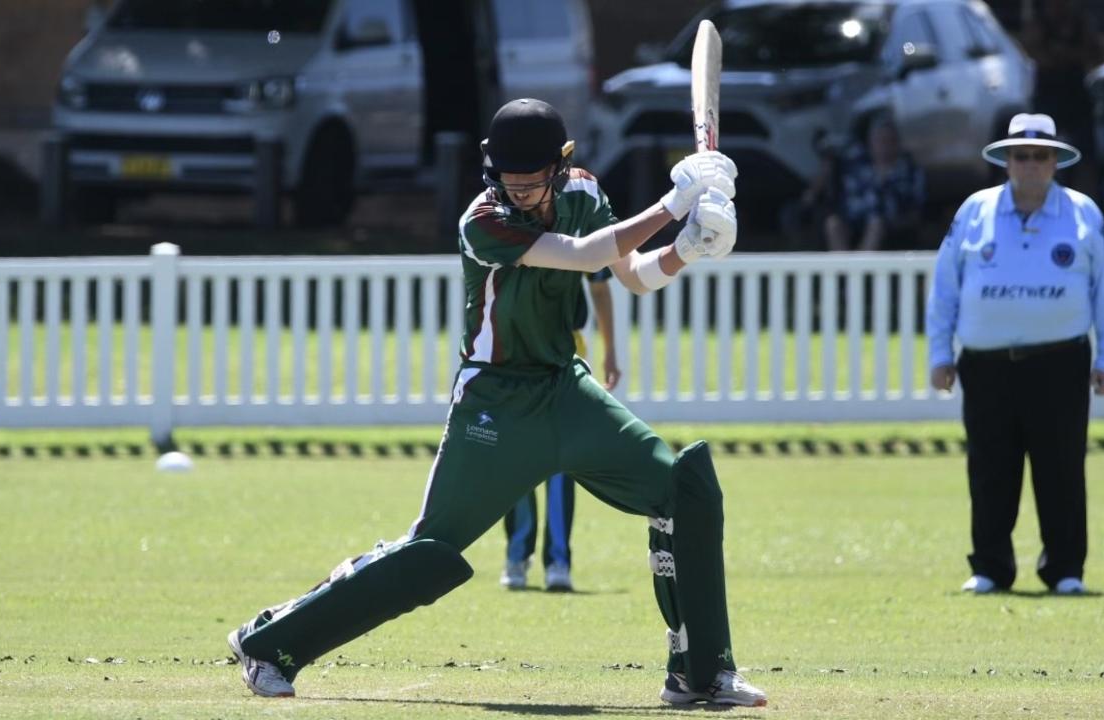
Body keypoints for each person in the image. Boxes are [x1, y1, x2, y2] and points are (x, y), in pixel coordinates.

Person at [225, 98, 767, 708]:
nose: (521, 195)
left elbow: (630, 275)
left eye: (533, 184)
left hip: (567, 390)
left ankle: (700, 674)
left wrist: (688, 248)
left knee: (684, 490)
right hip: (495, 404)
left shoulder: (584, 194)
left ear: (561, 168)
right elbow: (582, 255)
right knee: (429, 554)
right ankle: (267, 643)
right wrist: (674, 205)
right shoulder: (481, 222)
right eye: (509, 183)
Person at [925, 113, 1104, 596]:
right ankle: (991, 568)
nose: (1032, 164)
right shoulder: (975, 210)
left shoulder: (1083, 214)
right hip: (986, 362)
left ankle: (1064, 570)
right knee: (990, 466)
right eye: (1022, 155)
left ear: (1055, 161)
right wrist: (940, 352)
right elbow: (945, 287)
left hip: (1060, 361)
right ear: (1007, 161)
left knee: (1060, 466)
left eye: (1041, 156)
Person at [500, 269, 620, 592]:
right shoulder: (510, 220)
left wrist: (610, 350)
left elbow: (599, 288)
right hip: (519, 349)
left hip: (567, 347)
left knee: (561, 460)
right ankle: (517, 555)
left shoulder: (584, 221)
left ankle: (558, 561)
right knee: (518, 456)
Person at [1020, 0, 1104, 196]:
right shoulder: (1039, 24)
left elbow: (1096, 54)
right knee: (1043, 153)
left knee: (1085, 159)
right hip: (1048, 99)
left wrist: (1065, 54)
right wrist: (1064, 55)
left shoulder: (1080, 22)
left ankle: (1086, 200)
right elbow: (1035, 54)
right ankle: (1045, 197)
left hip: (1077, 98)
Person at [824, 116, 925, 251]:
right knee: (833, 224)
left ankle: (859, 269)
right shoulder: (859, 168)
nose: (884, 145)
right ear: (870, 144)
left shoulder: (910, 170)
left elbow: (916, 209)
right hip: (856, 219)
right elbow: (848, 201)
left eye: (889, 141)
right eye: (880, 140)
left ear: (897, 144)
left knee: (876, 224)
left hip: (890, 223)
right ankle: (843, 269)